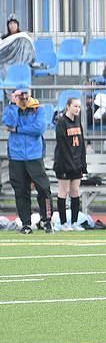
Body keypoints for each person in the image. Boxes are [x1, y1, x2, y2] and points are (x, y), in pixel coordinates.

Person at [3, 86, 53, 233]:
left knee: (44, 188)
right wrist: (13, 104)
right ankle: (26, 224)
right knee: (21, 191)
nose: (23, 97)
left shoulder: (39, 108)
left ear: (30, 93)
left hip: (34, 155)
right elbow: (9, 124)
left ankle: (46, 220)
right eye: (20, 94)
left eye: (25, 93)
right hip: (16, 155)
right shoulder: (12, 109)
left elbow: (39, 128)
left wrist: (18, 130)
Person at [53, 96, 86, 231]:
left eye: (79, 106)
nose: (77, 109)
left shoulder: (78, 121)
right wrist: (70, 163)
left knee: (75, 192)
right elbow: (63, 146)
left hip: (76, 163)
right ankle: (63, 223)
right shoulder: (61, 122)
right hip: (64, 164)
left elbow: (82, 143)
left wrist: (82, 163)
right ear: (68, 107)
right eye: (75, 106)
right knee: (64, 191)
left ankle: (74, 222)